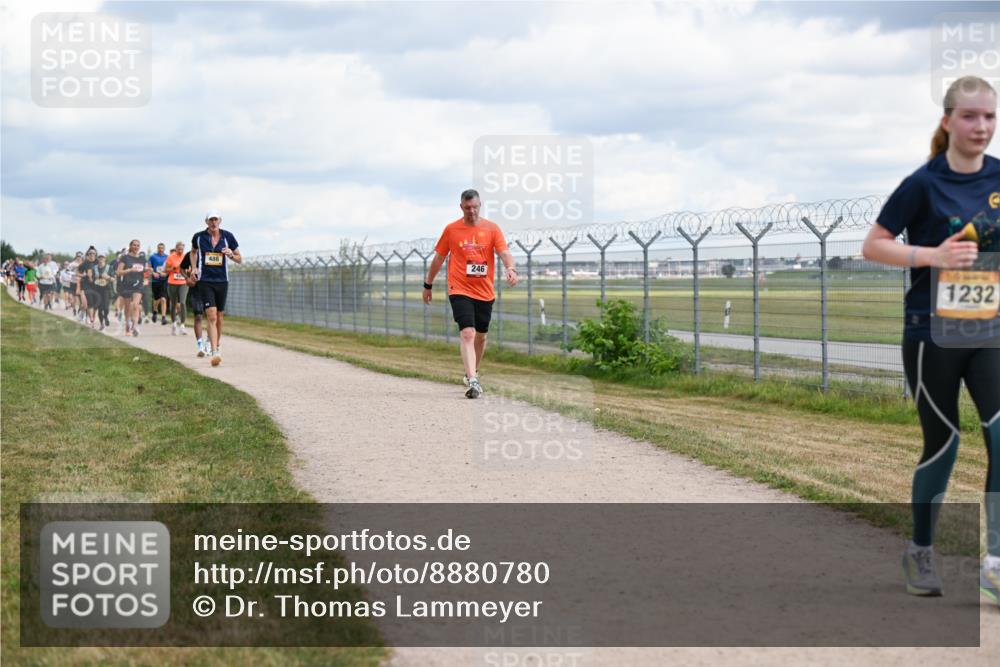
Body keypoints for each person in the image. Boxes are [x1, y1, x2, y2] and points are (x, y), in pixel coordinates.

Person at [861, 75, 999, 602]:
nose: (981, 126)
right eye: (970, 116)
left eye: (989, 116)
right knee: (944, 443)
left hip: (989, 331)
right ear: (948, 121)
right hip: (931, 333)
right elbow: (873, 245)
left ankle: (994, 562)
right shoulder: (923, 183)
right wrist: (931, 256)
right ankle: (920, 550)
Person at [422, 189, 518, 398]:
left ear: (480, 205)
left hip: (484, 291)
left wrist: (511, 268)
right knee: (468, 333)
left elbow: (504, 252)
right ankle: (473, 380)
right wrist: (428, 284)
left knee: (481, 337)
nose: (471, 211)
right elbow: (438, 259)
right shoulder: (451, 229)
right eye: (467, 208)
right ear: (461, 207)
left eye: (475, 207)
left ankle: (473, 372)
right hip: (459, 288)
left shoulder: (492, 229)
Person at [191, 210, 241, 365]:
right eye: (211, 220)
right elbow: (193, 252)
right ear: (206, 222)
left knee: (219, 316)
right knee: (211, 315)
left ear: (220, 221)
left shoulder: (228, 237)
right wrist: (194, 268)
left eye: (216, 220)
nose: (213, 223)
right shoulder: (198, 237)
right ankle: (214, 351)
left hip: (222, 281)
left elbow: (240, 259)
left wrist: (231, 255)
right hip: (205, 280)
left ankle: (216, 343)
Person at [116, 239, 147, 336]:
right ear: (130, 246)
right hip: (127, 285)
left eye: (138, 245)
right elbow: (118, 272)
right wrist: (129, 270)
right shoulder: (125, 258)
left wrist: (149, 270)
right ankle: (127, 325)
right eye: (134, 245)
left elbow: (143, 270)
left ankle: (135, 326)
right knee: (128, 307)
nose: (136, 247)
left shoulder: (142, 259)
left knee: (136, 305)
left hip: (138, 284)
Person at [164, 241, 189, 335]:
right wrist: (174, 268)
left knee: (182, 302)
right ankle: (174, 324)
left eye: (182, 249)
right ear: (176, 248)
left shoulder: (186, 257)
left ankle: (182, 325)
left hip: (183, 282)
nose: (180, 250)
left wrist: (188, 270)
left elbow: (190, 268)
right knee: (173, 304)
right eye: (179, 249)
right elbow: (166, 270)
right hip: (172, 282)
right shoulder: (171, 257)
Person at [77, 247, 100, 327]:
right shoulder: (84, 263)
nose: (92, 255)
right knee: (89, 302)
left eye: (94, 253)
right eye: (90, 253)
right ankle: (91, 319)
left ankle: (83, 312)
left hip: (96, 285)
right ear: (88, 254)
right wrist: (83, 275)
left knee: (94, 303)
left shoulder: (98, 262)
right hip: (86, 284)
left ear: (96, 254)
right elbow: (77, 272)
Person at [149, 242, 169, 326]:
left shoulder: (167, 257)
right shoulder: (153, 257)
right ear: (157, 248)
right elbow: (149, 267)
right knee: (157, 299)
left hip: (164, 280)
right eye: (159, 248)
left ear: (164, 249)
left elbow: (169, 268)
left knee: (163, 299)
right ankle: (155, 311)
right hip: (155, 280)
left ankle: (163, 317)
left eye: (162, 248)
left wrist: (166, 273)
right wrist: (153, 273)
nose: (161, 249)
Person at [93, 253, 115, 329]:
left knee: (106, 307)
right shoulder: (94, 268)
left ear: (105, 259)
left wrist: (108, 277)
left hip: (106, 289)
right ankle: (101, 324)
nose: (101, 259)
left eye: (102, 257)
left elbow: (113, 279)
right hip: (97, 290)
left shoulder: (110, 268)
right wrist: (94, 278)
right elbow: (91, 278)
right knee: (100, 308)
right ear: (98, 259)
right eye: (100, 257)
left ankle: (105, 316)